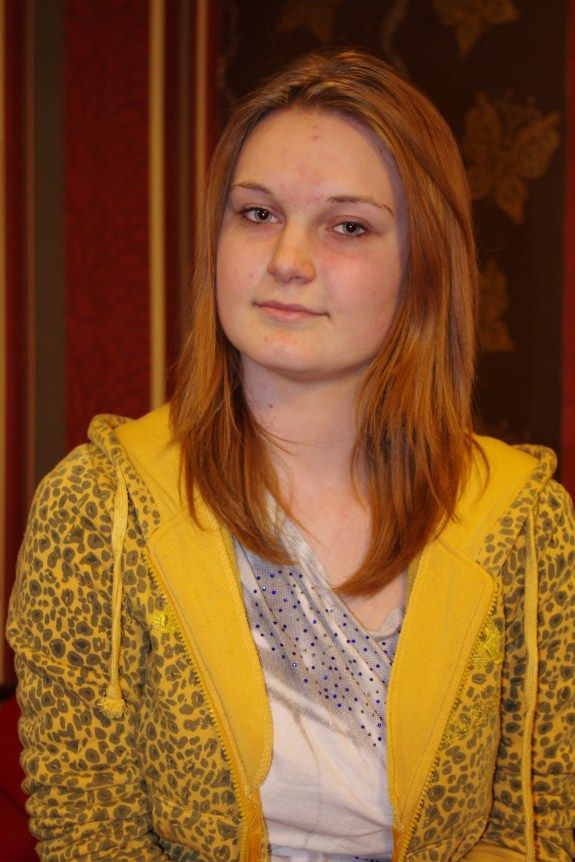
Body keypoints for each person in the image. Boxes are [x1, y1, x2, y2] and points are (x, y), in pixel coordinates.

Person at [7, 48, 574, 862]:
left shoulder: (522, 521)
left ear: (424, 265)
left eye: (348, 226)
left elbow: (532, 828)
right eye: (257, 213)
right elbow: (89, 836)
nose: (287, 261)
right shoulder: (101, 509)